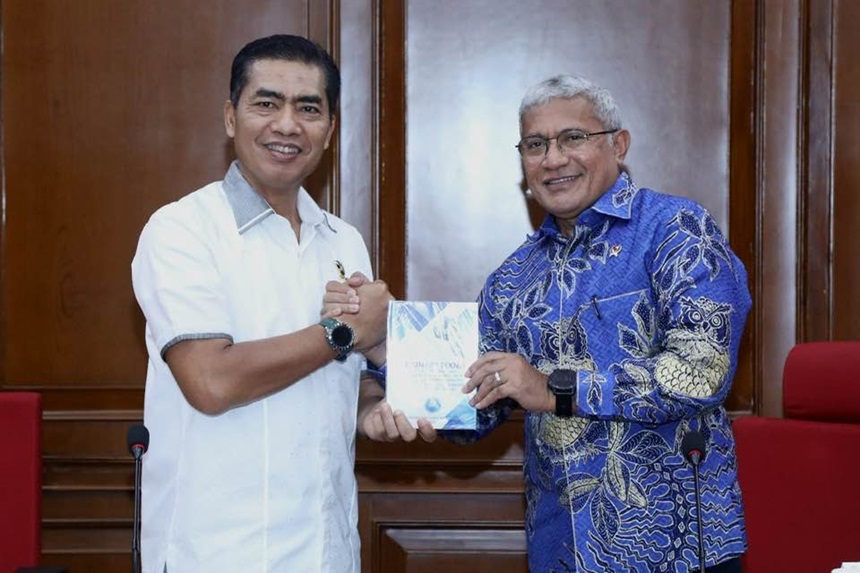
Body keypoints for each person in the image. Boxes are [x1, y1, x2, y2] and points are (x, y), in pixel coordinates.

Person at [326, 74, 750, 572]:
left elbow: (701, 371)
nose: (553, 159)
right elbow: (473, 406)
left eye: (573, 138)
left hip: (677, 549)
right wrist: (385, 350)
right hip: (560, 550)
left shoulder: (676, 230)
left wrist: (554, 390)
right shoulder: (513, 278)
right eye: (535, 144)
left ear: (618, 145)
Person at [131, 34, 431, 573]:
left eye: (308, 108)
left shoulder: (343, 240)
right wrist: (342, 332)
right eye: (266, 103)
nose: (287, 125)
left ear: (330, 130)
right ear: (231, 118)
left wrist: (371, 412)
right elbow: (211, 382)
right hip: (218, 554)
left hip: (327, 550)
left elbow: (342, 376)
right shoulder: (181, 230)